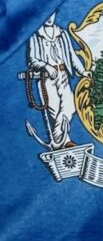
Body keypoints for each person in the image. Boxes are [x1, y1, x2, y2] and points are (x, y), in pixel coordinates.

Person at [26, 13, 89, 149]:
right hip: (46, 78)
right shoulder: (35, 35)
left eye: (52, 14)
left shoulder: (63, 33)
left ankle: (57, 138)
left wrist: (83, 71)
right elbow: (33, 59)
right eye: (46, 14)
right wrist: (46, 66)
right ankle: (65, 142)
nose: (49, 18)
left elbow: (71, 55)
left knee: (70, 106)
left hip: (64, 75)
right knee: (54, 110)